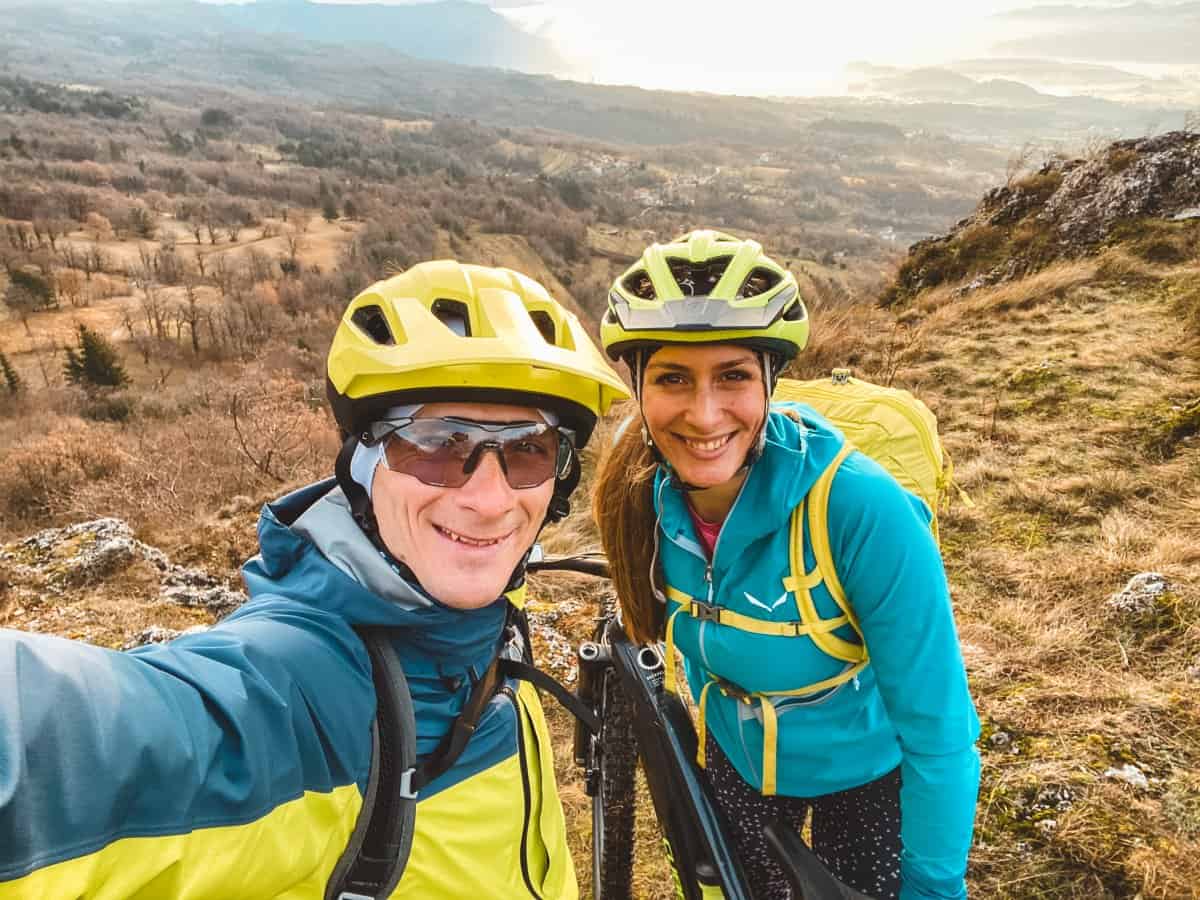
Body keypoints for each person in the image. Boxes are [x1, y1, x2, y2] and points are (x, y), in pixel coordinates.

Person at [0, 260, 629, 899]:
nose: (490, 499)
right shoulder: (309, 687)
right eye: (438, 445)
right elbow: (72, 741)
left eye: (529, 449)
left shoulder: (486, 614)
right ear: (364, 463)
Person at [592, 230, 980, 900]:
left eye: (734, 376)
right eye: (673, 378)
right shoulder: (641, 500)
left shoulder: (862, 510)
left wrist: (934, 887)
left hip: (864, 774)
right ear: (638, 386)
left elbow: (941, 733)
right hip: (738, 761)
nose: (704, 413)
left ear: (771, 380)